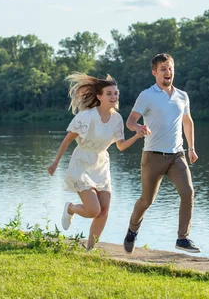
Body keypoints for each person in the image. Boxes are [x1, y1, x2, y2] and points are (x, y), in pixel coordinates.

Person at [48, 73, 144, 250]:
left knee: (104, 210)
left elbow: (121, 146)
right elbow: (68, 140)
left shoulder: (117, 119)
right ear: (99, 97)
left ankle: (89, 250)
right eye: (109, 93)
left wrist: (137, 135)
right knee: (93, 210)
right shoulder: (87, 116)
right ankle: (70, 208)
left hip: (101, 164)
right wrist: (55, 162)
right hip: (82, 163)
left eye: (116, 93)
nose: (113, 97)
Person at [123, 53, 200, 254]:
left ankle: (182, 238)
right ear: (155, 73)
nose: (168, 72)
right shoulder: (146, 95)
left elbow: (187, 121)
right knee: (146, 201)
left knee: (188, 192)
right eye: (163, 69)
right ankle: (132, 230)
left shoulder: (182, 96)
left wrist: (191, 148)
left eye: (170, 68)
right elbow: (130, 121)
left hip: (177, 155)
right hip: (152, 156)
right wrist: (138, 128)